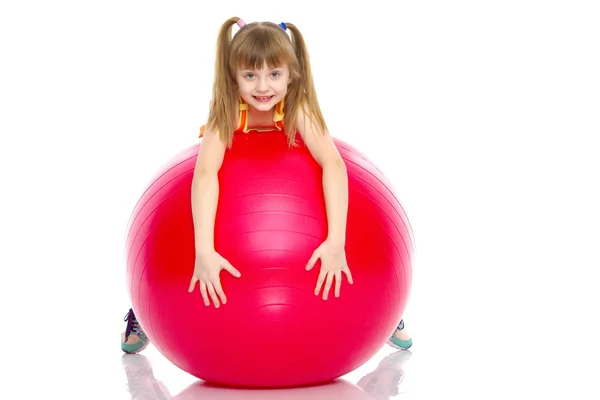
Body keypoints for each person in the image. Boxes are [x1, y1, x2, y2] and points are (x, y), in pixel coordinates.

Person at [121, 16, 412, 354]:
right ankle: (145, 311)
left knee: (362, 253)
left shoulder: (298, 109)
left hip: (310, 206)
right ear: (234, 77)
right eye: (250, 76)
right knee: (174, 253)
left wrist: (335, 241)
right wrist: (203, 251)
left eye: (274, 75)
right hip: (219, 218)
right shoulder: (226, 113)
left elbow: (333, 164)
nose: (262, 88)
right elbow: (204, 175)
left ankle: (385, 311)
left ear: (291, 76)